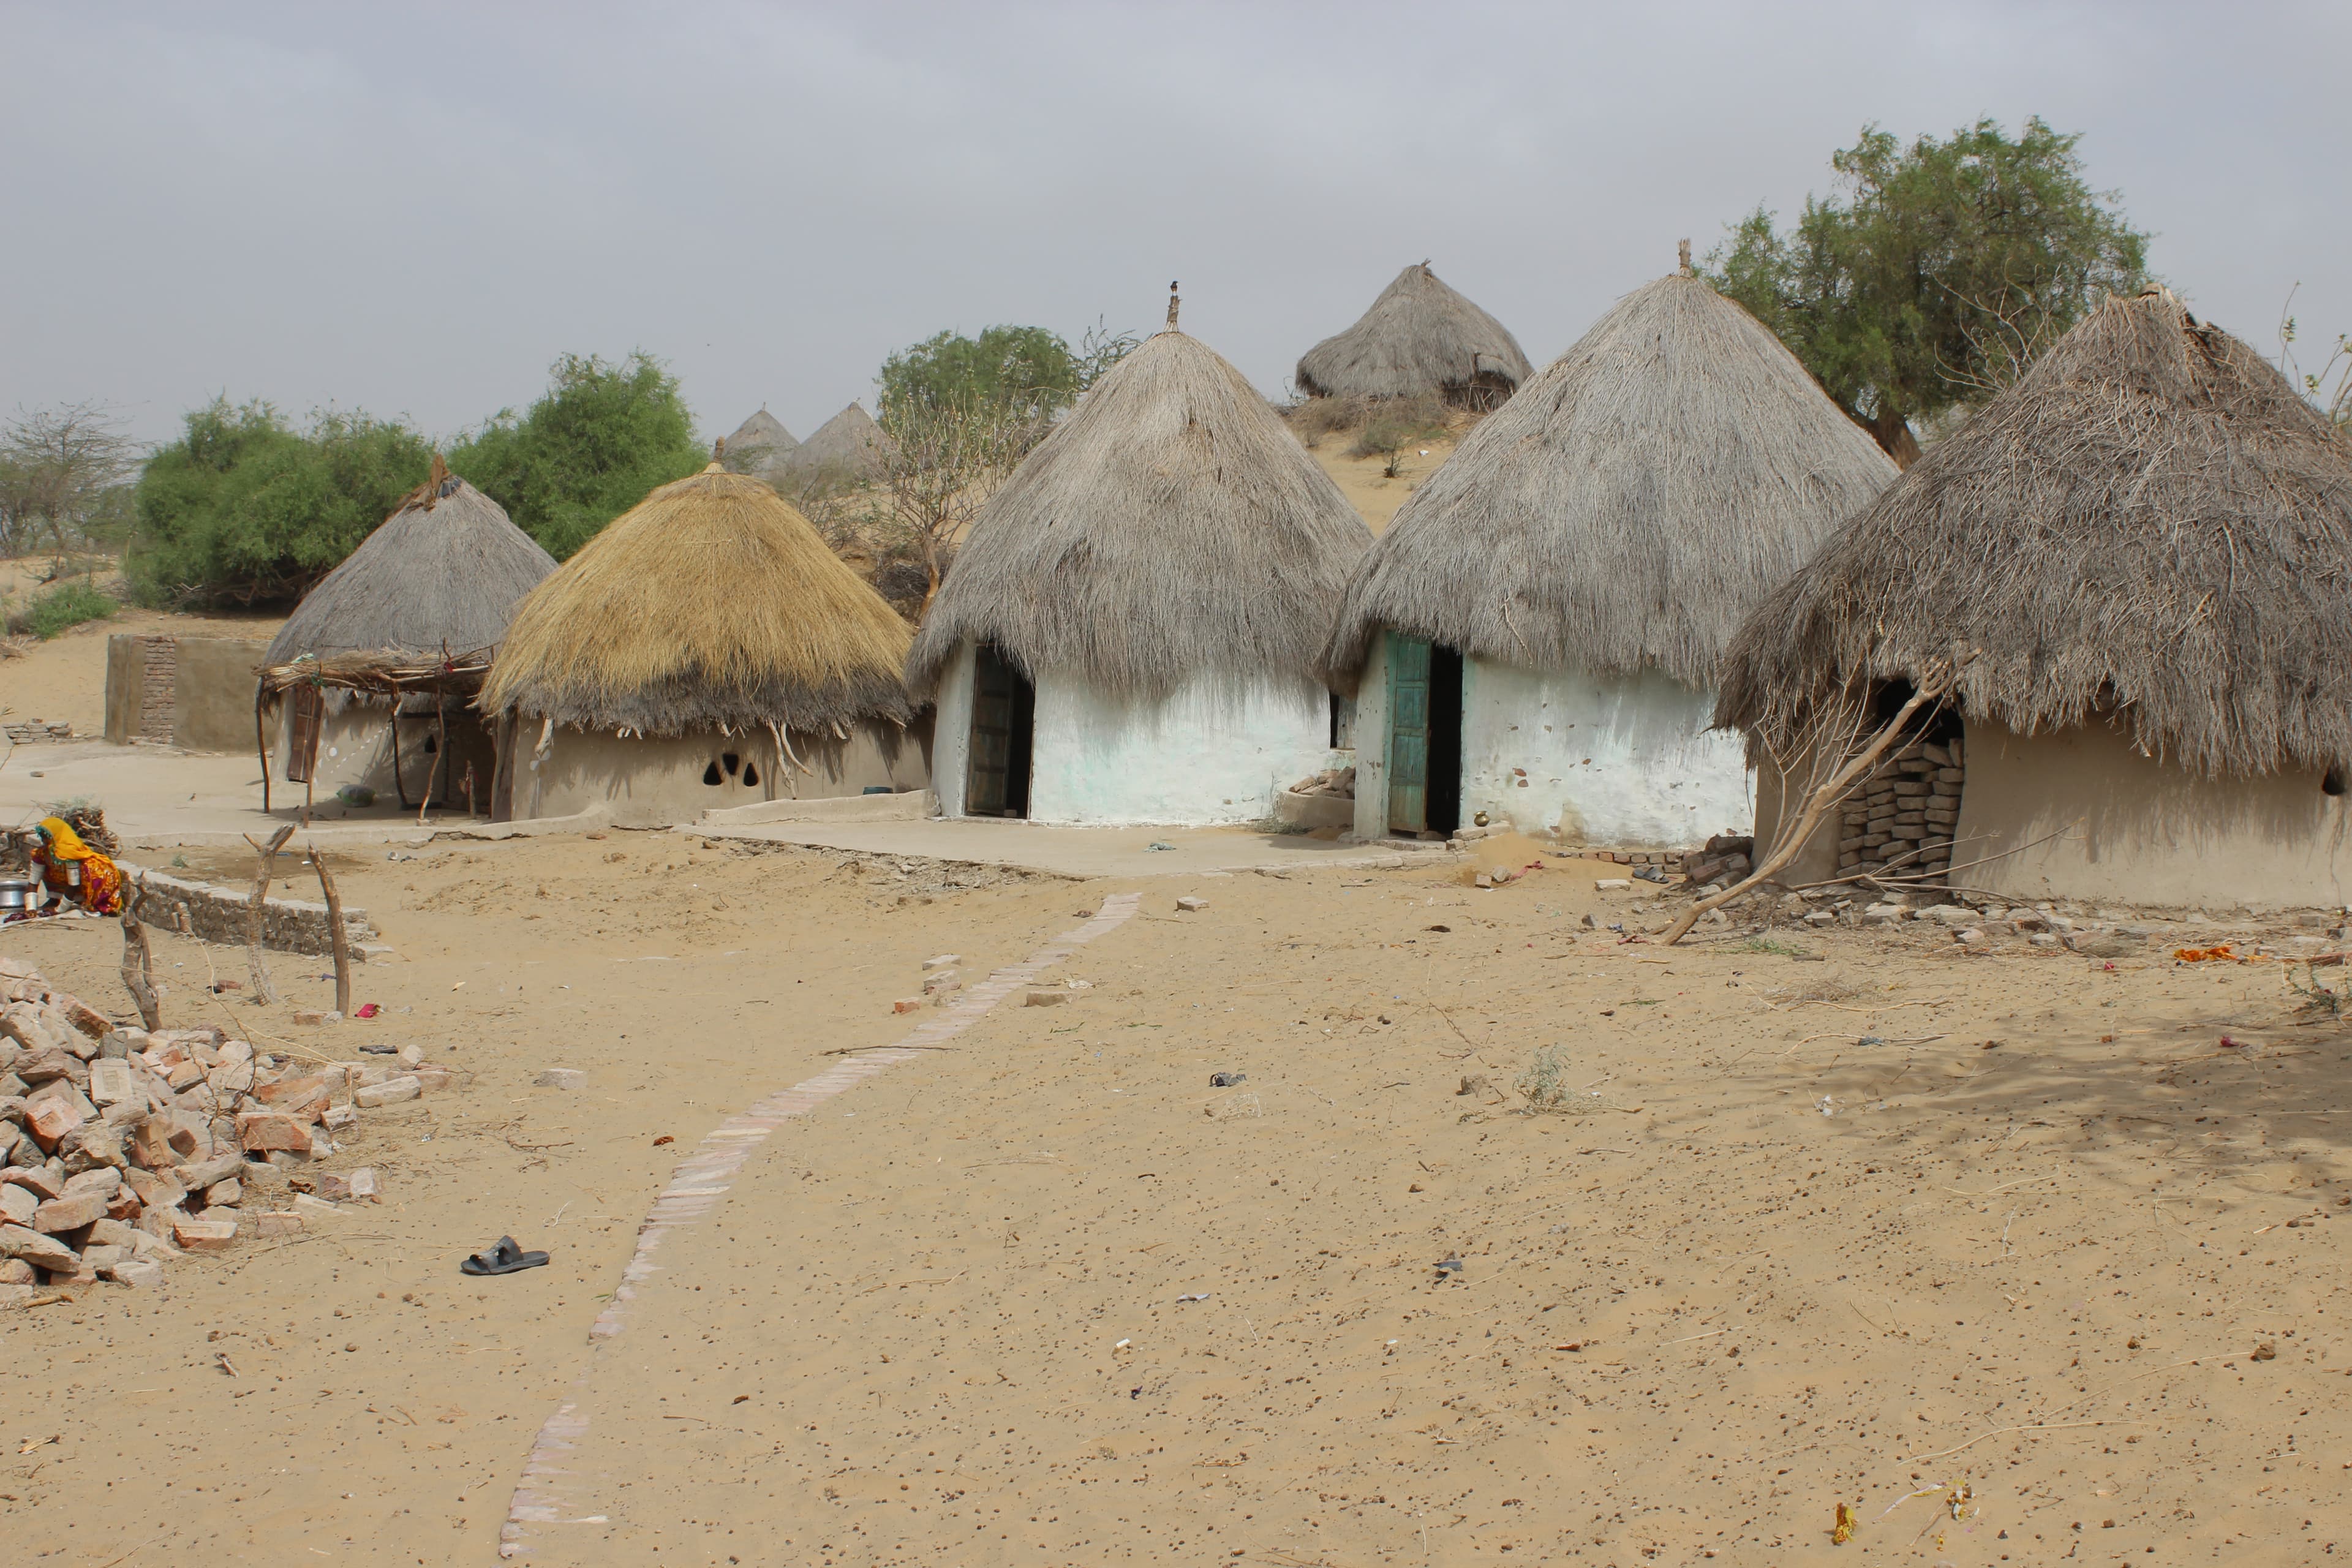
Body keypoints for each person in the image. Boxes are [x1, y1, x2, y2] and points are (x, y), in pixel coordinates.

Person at [27, 816, 124, 917]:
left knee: (89, 870)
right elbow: (33, 882)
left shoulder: (68, 853)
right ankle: (56, 898)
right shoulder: (41, 854)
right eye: (42, 838)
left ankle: (88, 901)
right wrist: (31, 908)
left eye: (46, 838)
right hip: (69, 885)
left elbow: (73, 885)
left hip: (85, 882)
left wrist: (59, 910)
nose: (44, 842)